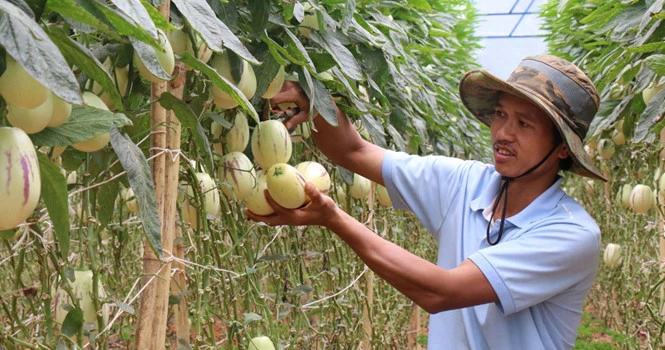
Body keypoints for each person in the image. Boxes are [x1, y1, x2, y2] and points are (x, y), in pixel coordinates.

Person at [245, 54, 607, 349]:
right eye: (500, 115)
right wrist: (313, 97)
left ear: (562, 148)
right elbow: (352, 150)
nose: (503, 134)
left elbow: (440, 291)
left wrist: (334, 218)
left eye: (524, 124)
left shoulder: (571, 234)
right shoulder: (465, 182)